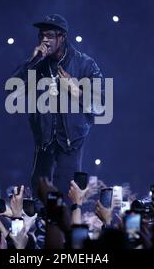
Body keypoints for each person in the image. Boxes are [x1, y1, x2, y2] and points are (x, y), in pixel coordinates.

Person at [10, 14, 105, 197]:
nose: (44, 40)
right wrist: (31, 62)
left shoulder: (85, 64)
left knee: (65, 198)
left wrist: (76, 90)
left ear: (62, 37)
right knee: (39, 198)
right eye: (41, 35)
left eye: (50, 35)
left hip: (71, 143)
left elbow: (101, 105)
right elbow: (12, 90)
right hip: (44, 142)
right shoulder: (37, 64)